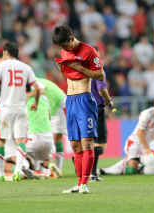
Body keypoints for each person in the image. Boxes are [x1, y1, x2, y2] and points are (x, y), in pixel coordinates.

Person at [52, 25, 105, 194]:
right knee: (75, 146)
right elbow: (69, 76)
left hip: (85, 99)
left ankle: (85, 184)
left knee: (87, 142)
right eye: (60, 47)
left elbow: (100, 75)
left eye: (64, 45)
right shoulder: (63, 51)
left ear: (71, 39)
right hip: (70, 100)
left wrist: (80, 68)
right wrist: (63, 70)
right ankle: (78, 183)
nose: (63, 49)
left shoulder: (89, 51)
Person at [0, 42, 40, 182]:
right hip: (21, 109)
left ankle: (0, 174)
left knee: (0, 140)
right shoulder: (26, 67)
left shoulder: (1, 66)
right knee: (20, 141)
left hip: (5, 109)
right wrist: (35, 102)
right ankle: (17, 171)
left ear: (6, 53)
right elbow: (37, 88)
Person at [98, 95, 154, 175]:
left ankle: (110, 168)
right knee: (132, 170)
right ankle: (106, 170)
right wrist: (147, 148)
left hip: (146, 146)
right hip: (134, 144)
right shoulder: (147, 114)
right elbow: (139, 132)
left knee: (145, 167)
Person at [28, 77, 67, 172]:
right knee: (55, 136)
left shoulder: (32, 81)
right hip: (52, 106)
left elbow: (42, 91)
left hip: (59, 103)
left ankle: (58, 167)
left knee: (57, 136)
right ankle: (50, 168)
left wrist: (27, 95)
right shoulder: (29, 80)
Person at [89, 47, 113, 182]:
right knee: (101, 146)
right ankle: (92, 174)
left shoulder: (81, 70)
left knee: (88, 143)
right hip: (97, 108)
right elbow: (101, 89)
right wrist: (108, 100)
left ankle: (86, 171)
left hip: (83, 109)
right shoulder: (98, 70)